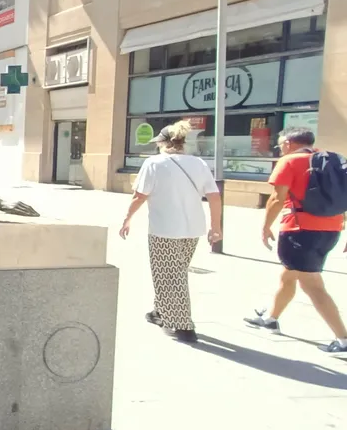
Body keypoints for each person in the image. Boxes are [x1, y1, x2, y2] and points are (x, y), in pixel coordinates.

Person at [244, 126, 347, 353]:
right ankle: (271, 318)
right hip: (331, 229)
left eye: (280, 145)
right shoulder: (330, 161)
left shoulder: (289, 162)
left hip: (300, 230)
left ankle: (343, 339)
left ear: (289, 144)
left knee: (312, 286)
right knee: (289, 275)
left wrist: (265, 227)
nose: (280, 149)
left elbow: (276, 199)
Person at [119, 120, 221, 343]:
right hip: (193, 228)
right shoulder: (198, 163)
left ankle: (181, 325)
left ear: (164, 143)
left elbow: (140, 195)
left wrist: (127, 218)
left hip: (165, 229)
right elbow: (214, 195)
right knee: (174, 272)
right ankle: (160, 311)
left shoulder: (154, 163)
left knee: (170, 275)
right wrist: (216, 227)